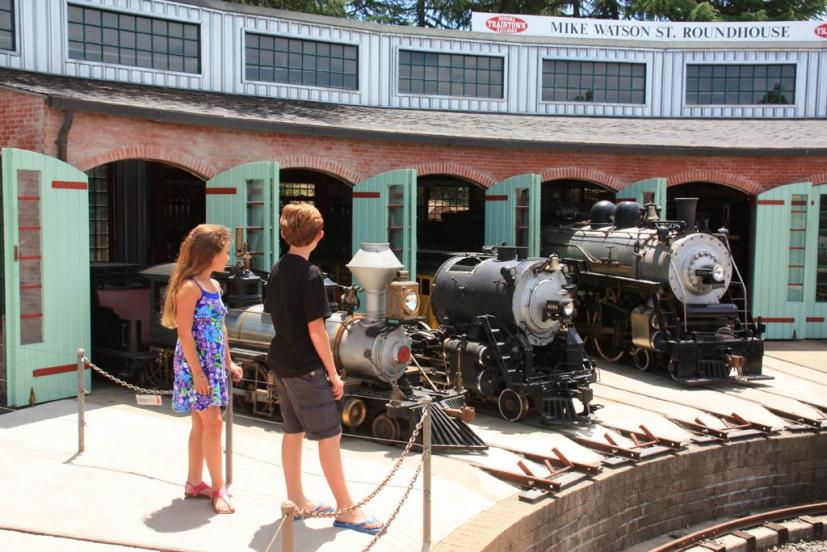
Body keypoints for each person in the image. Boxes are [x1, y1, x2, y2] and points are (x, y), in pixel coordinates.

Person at [267, 203, 383, 535]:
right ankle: (347, 509)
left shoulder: (277, 269)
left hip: (281, 362)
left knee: (292, 431)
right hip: (306, 367)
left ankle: (297, 500)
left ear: (284, 233)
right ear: (319, 236)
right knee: (330, 436)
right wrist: (334, 374)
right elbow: (317, 330)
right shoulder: (311, 274)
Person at [161, 224, 243, 514]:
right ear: (210, 255)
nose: (228, 258)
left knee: (201, 423)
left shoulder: (214, 286)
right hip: (197, 364)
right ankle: (217, 487)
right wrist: (198, 373)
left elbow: (220, 327)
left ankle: (194, 482)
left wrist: (228, 360)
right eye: (224, 253)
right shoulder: (189, 288)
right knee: (214, 423)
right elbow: (184, 333)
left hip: (213, 362)